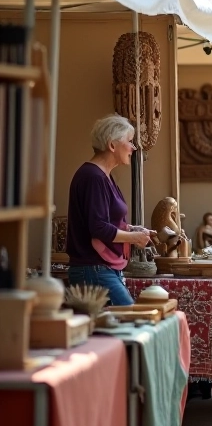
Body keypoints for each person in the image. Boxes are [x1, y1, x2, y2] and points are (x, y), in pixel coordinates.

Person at [67, 114, 156, 306]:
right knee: (132, 324)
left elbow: (106, 221)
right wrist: (134, 238)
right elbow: (98, 227)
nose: (133, 148)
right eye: (129, 142)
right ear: (112, 145)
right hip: (93, 269)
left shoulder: (103, 176)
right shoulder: (93, 177)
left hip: (100, 269)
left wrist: (132, 229)